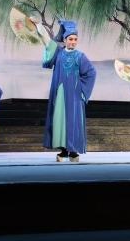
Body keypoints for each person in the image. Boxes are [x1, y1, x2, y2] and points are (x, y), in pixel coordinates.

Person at [41, 20, 96, 162]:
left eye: (75, 39)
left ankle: (73, 151)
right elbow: (48, 44)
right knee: (60, 120)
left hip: (74, 96)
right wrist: (38, 27)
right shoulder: (58, 53)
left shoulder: (80, 56)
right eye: (70, 39)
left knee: (73, 120)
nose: (73, 42)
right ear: (64, 40)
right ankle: (63, 150)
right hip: (60, 93)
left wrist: (82, 92)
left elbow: (91, 73)